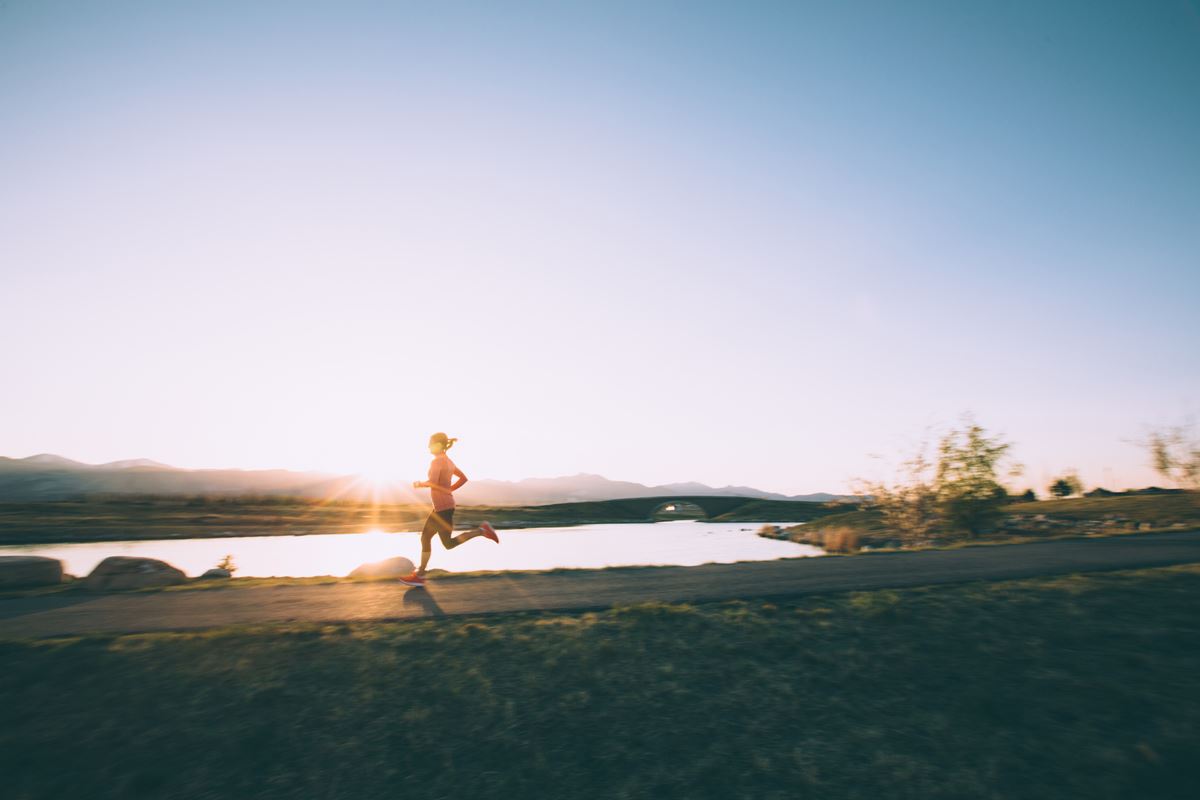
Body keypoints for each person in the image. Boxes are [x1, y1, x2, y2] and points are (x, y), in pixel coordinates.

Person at [400, 432, 499, 586]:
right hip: (445, 507)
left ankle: (420, 575)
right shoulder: (449, 461)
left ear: (438, 445)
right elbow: (463, 478)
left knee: (426, 538)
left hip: (442, 509)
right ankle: (482, 530)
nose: (428, 446)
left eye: (430, 443)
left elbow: (433, 483)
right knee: (447, 543)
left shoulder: (436, 462)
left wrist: (420, 484)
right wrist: (449, 490)